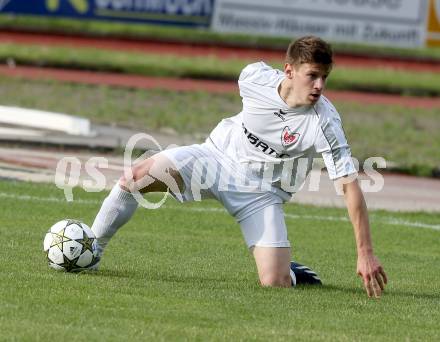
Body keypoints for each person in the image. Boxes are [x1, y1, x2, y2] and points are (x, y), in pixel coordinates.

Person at [91, 35, 388, 298]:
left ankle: (291, 272)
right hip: (215, 159)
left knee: (274, 282)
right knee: (135, 178)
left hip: (262, 193)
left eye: (324, 77)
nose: (320, 86)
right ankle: (91, 250)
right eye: (312, 76)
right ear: (289, 71)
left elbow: (349, 187)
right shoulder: (253, 78)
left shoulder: (325, 123)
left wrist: (366, 254)